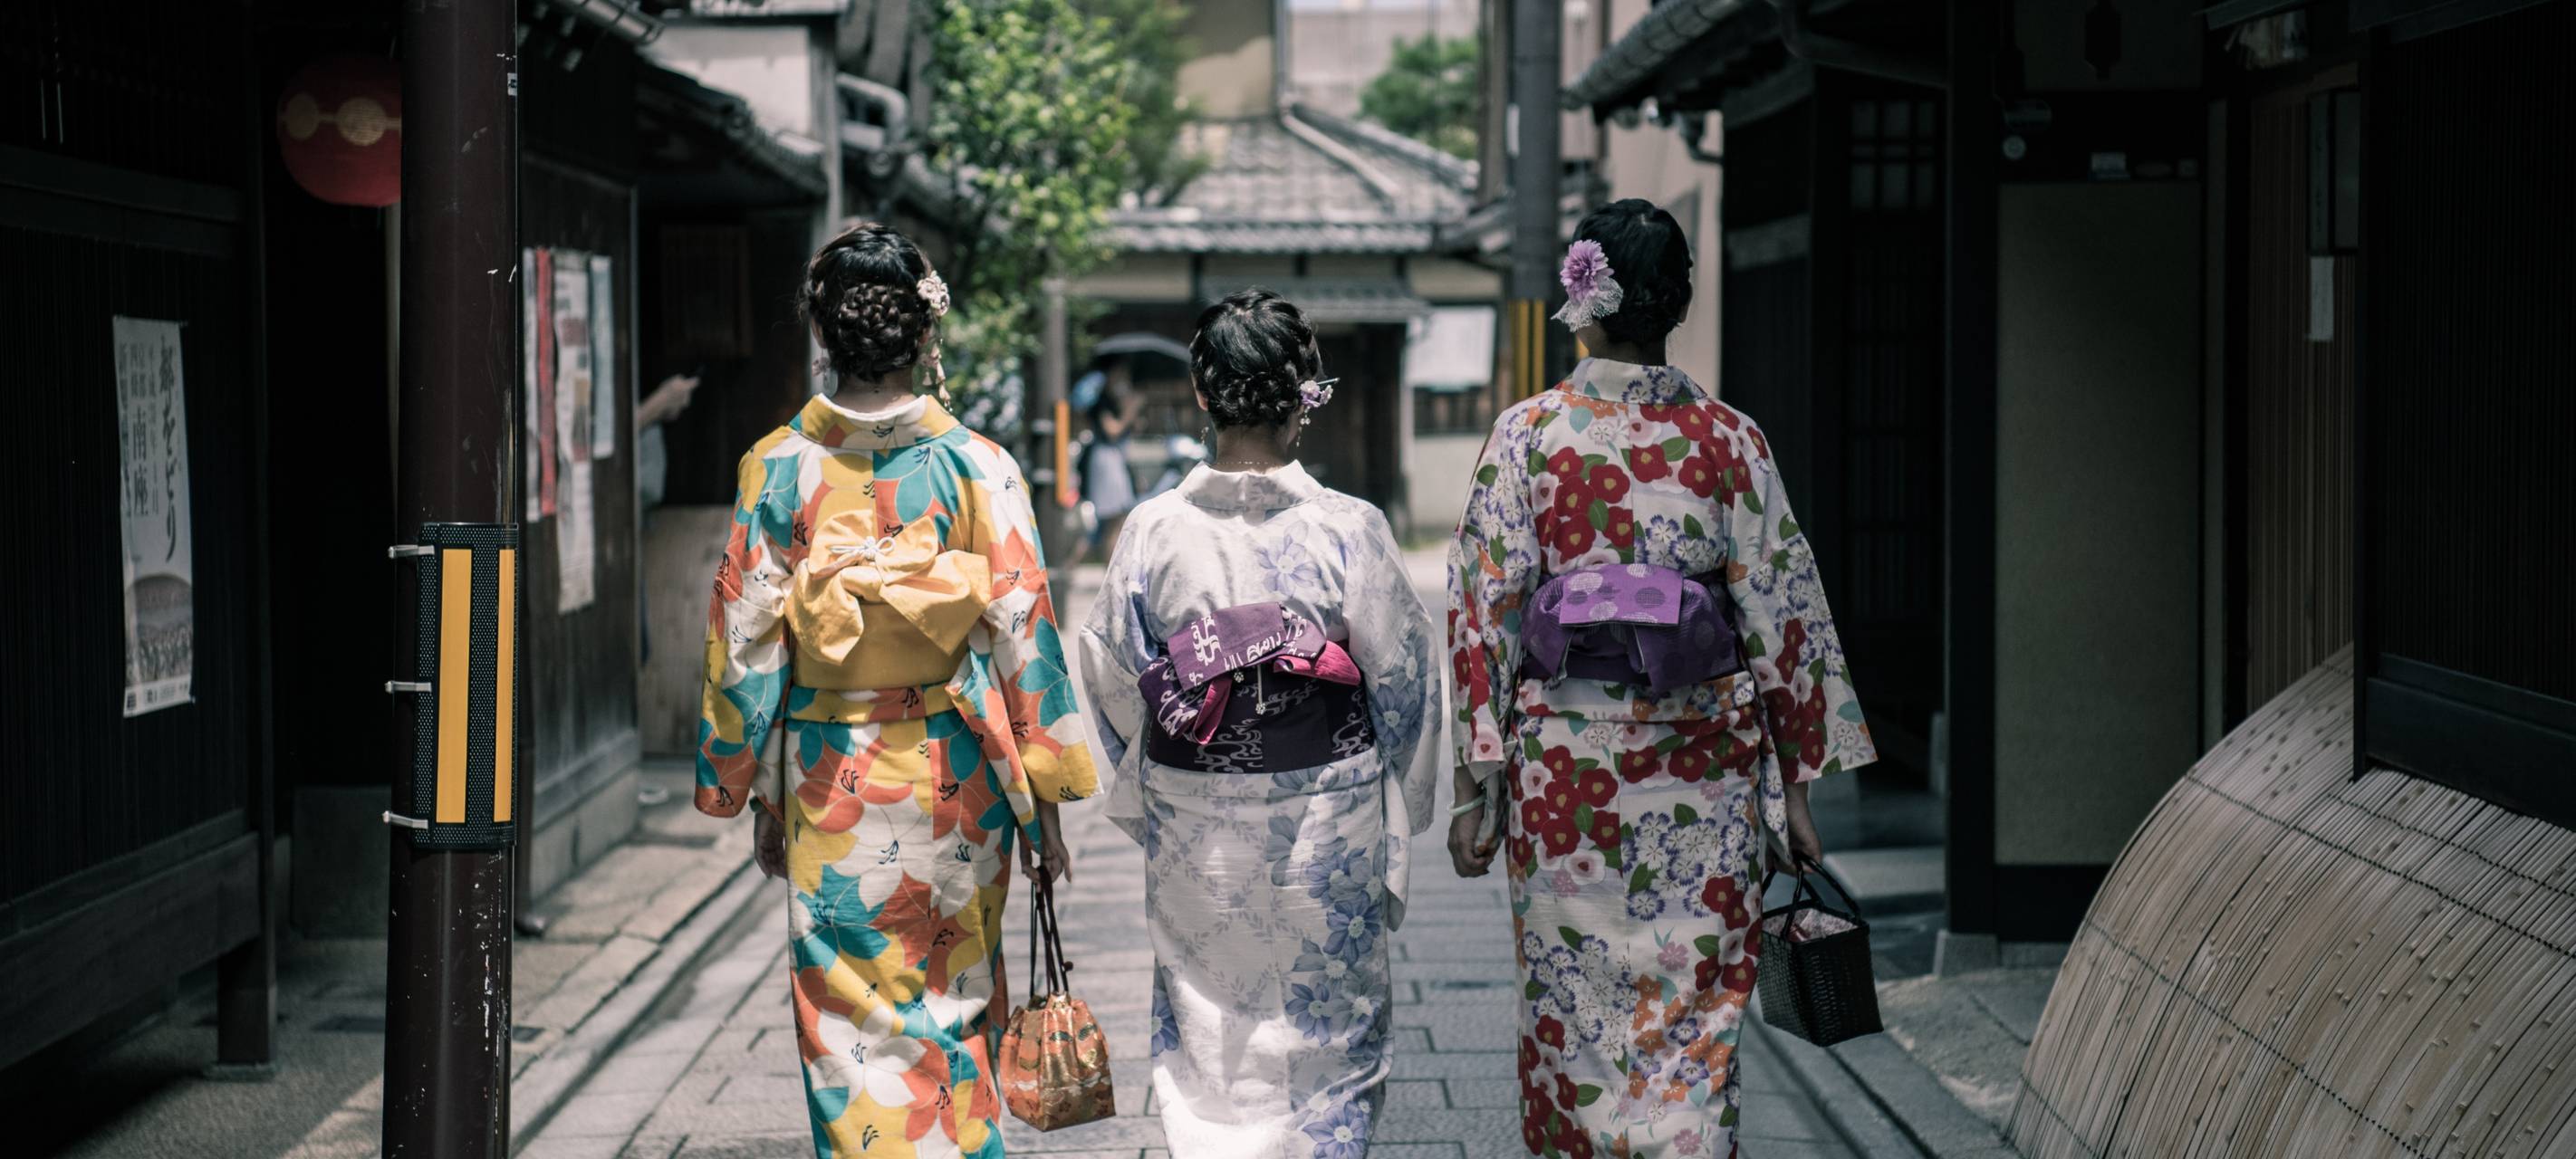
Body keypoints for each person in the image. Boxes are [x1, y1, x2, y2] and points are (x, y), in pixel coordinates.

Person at [1446, 200, 1877, 1158]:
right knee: (1695, 1014)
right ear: (1677, 304)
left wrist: (1478, 788)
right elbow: (1783, 613)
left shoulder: (1528, 436)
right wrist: (1794, 790)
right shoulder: (1730, 439)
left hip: (1569, 769)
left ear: (1582, 299)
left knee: (1575, 1007)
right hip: (1708, 770)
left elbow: (1484, 610)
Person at [693, 222, 1097, 1159]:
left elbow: (744, 640)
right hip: (960, 772)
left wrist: (746, 783)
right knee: (955, 1003)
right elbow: (1023, 635)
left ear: (822, 332)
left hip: (827, 773)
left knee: (848, 1025)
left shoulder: (779, 465)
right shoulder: (979, 464)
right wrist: (1044, 801)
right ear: (925, 335)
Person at [1076, 289, 1443, 1158]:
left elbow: (1113, 677)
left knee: (1214, 1037)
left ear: (1203, 397)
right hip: (1329, 809)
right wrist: (1389, 792)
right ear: (1302, 393)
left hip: (1198, 816)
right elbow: (1402, 684)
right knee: (1331, 1037)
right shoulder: (1350, 528)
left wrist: (1163, 772)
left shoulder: (1152, 532)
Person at [1077, 354, 1145, 562]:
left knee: (1118, 520)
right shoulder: (1101, 401)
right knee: (1112, 521)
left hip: (1115, 459)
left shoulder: (1115, 400)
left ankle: (1091, 564)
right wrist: (1130, 410)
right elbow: (1112, 430)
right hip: (1105, 461)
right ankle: (1107, 568)